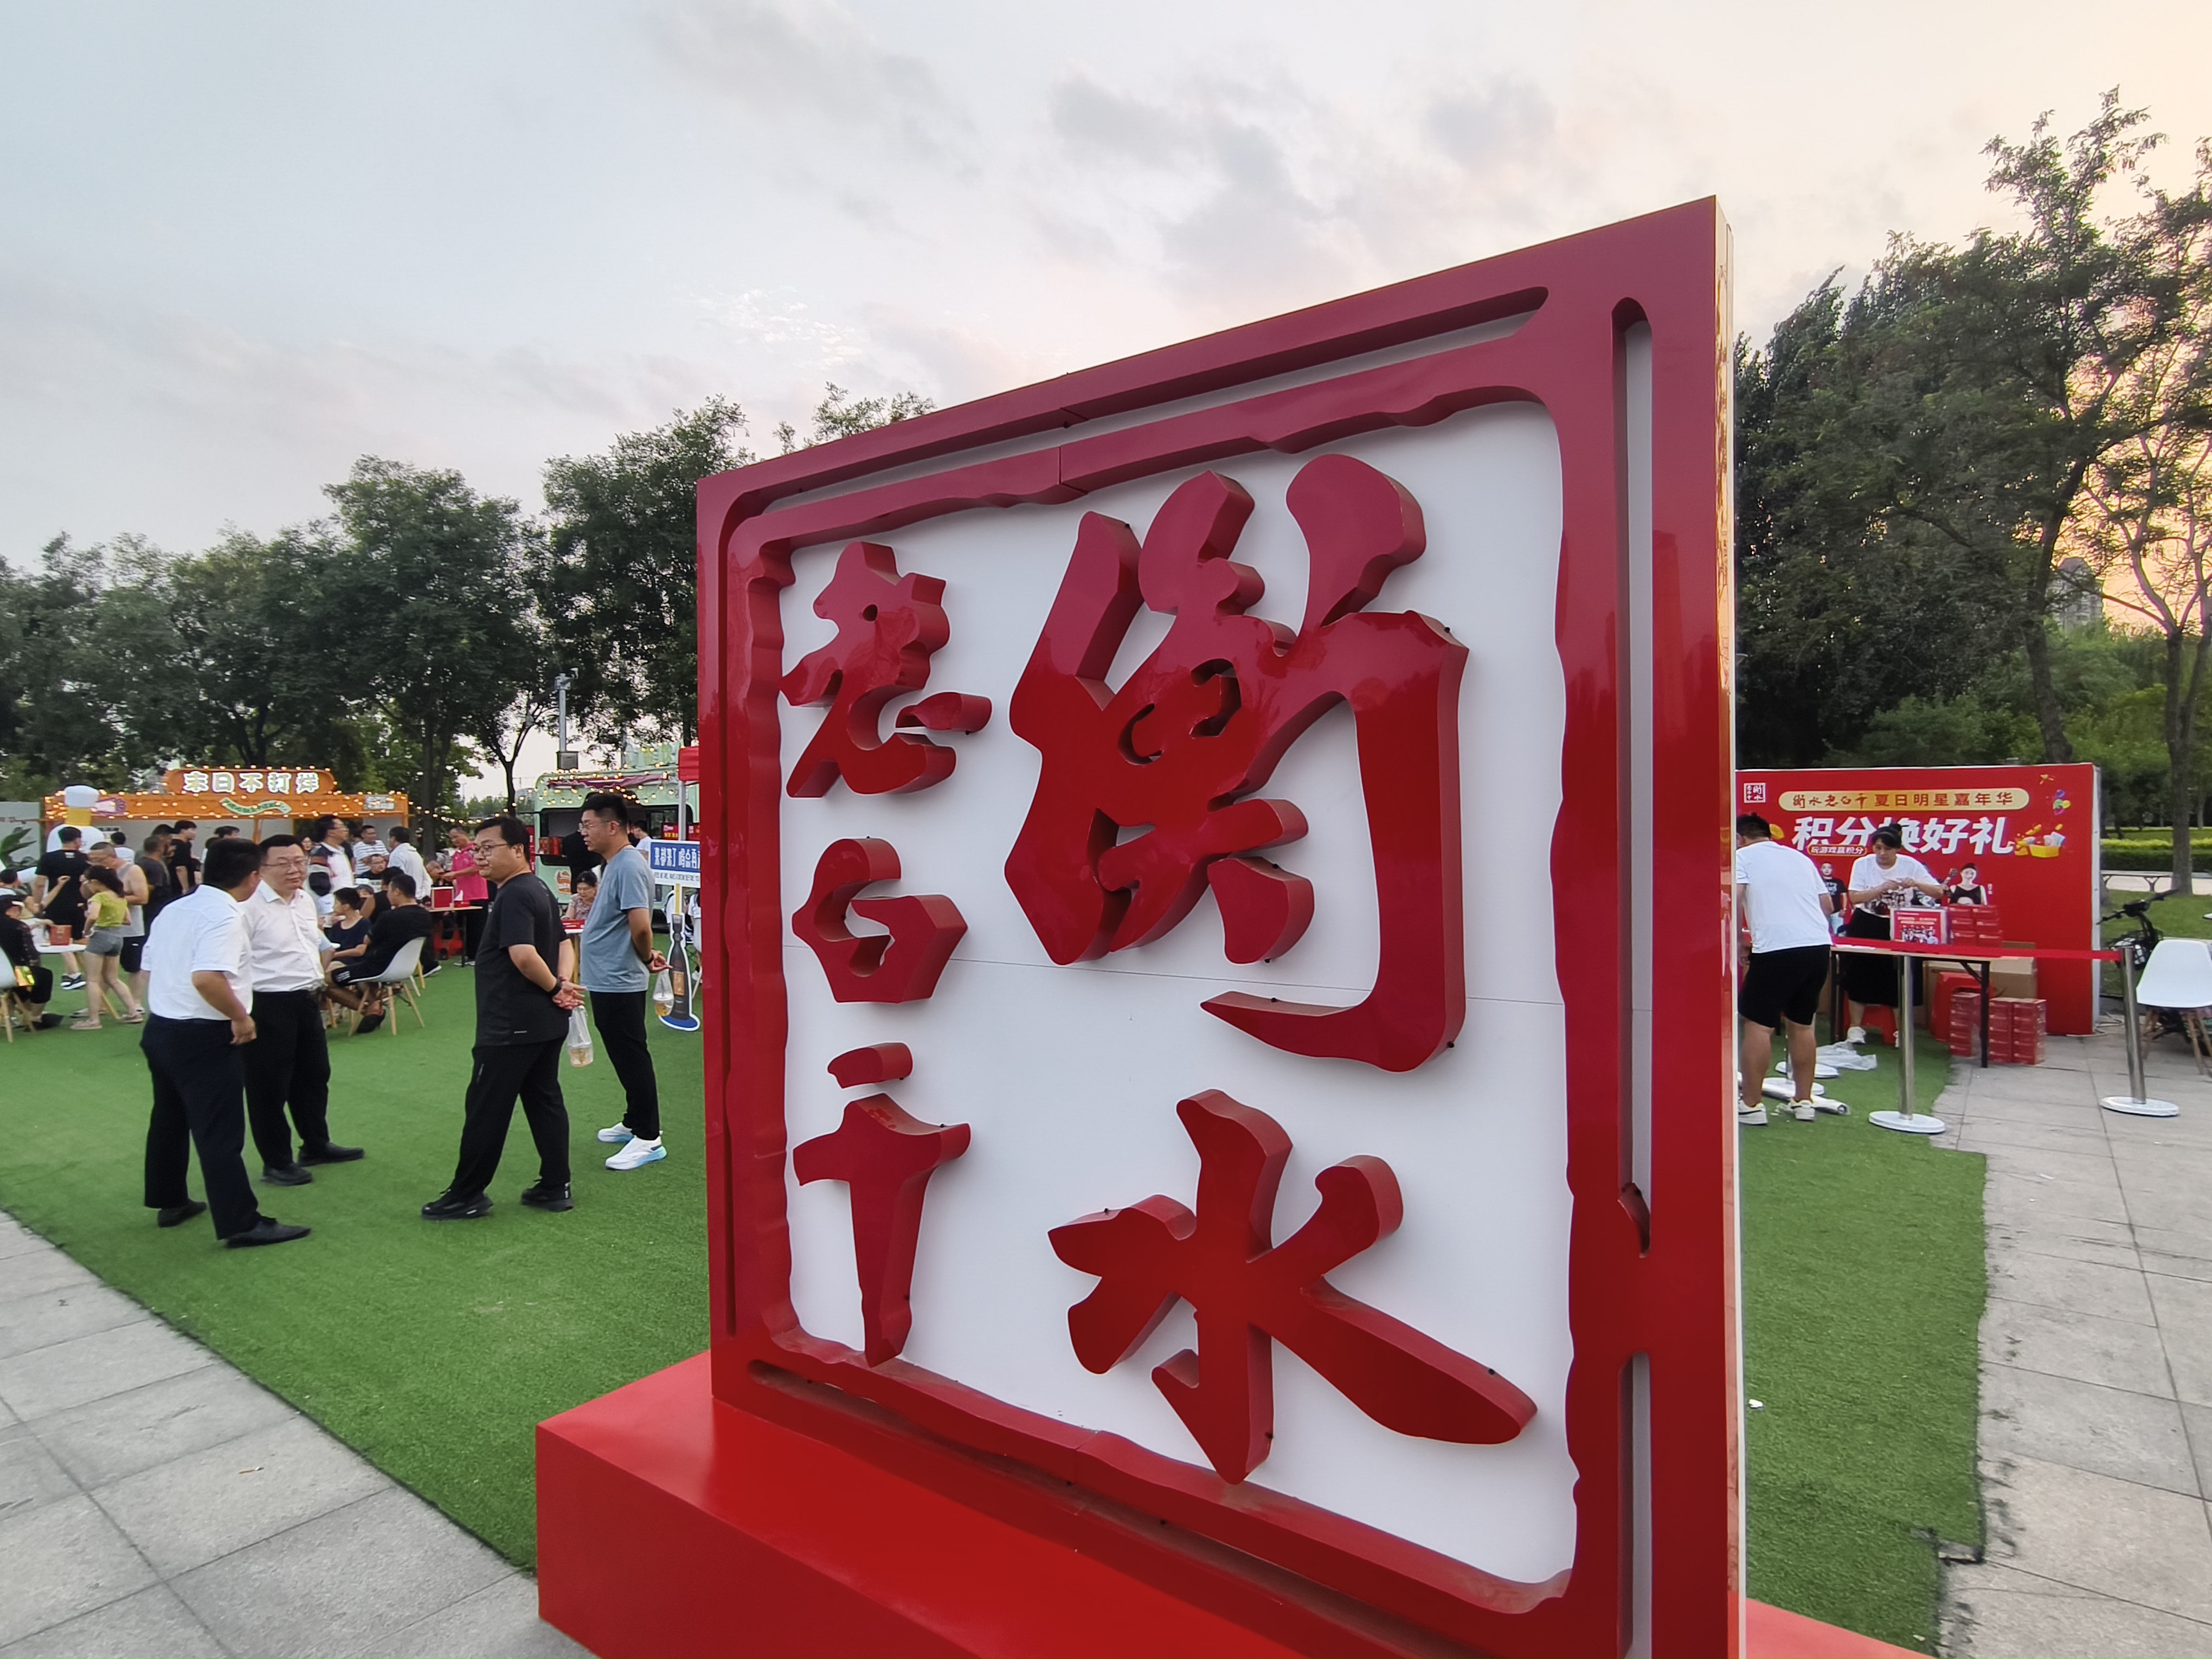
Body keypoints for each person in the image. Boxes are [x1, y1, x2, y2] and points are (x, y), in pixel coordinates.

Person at [140, 833, 310, 1248]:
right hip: (202, 1032)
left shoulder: (174, 909)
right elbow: (207, 978)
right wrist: (240, 1017)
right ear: (253, 877)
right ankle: (240, 1222)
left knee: (169, 1118)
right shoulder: (226, 916)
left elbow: (148, 970)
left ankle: (170, 1199)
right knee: (219, 1131)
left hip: (163, 1026)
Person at [421, 816, 581, 1220]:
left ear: (518, 850)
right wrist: (561, 984)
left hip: (511, 1024)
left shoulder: (515, 894)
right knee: (544, 1100)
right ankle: (555, 1185)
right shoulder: (538, 888)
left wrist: (556, 987)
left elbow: (524, 956)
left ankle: (467, 1194)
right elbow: (564, 944)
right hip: (543, 1022)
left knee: (486, 1108)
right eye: (477, 849)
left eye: (488, 848)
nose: (480, 856)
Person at [241, 835, 364, 1185]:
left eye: (300, 862)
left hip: (307, 998)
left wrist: (319, 978)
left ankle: (316, 1144)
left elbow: (317, 945)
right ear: (261, 868)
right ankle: (276, 1162)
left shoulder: (304, 901)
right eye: (284, 863)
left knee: (314, 1075)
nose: (295, 870)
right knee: (270, 1086)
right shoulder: (248, 907)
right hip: (267, 1002)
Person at [576, 794, 671, 1171]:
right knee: (623, 1052)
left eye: (588, 825)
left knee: (631, 1054)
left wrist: (646, 958)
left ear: (613, 826)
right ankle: (634, 1121)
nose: (583, 832)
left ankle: (648, 1137)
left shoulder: (629, 865)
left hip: (619, 978)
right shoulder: (615, 865)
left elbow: (641, 926)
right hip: (608, 977)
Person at [1734, 814, 1836, 1127]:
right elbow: (1828, 907)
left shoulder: (1742, 858)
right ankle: (1803, 1101)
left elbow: (1734, 900)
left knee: (1759, 1025)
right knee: (1802, 1025)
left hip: (1777, 949)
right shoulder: (1800, 858)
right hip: (1818, 946)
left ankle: (1751, 1104)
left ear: (1740, 839)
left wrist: (1738, 941)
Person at [326, 870, 436, 1030]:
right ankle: (373, 1005)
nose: (387, 895)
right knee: (357, 972)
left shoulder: (388, 917)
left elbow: (367, 940)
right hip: (406, 967)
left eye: (389, 891)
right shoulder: (425, 916)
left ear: (397, 892)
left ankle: (369, 1010)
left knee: (325, 981)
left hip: (378, 967)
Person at [74, 865, 144, 1029]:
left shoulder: (99, 898)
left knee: (92, 979)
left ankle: (94, 1020)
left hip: (100, 936)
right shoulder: (120, 897)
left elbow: (93, 916)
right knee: (113, 979)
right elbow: (128, 921)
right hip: (117, 937)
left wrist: (86, 930)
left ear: (95, 882)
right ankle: (133, 1012)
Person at [89, 838, 153, 1009]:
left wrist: (114, 899)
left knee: (133, 967)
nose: (95, 864)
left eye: (99, 860)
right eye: (92, 860)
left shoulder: (132, 870)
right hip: (104, 929)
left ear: (112, 858)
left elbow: (142, 898)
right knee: (101, 970)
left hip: (129, 929)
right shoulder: (98, 873)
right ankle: (100, 1005)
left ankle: (136, 1002)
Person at [32, 826, 88, 991]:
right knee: (79, 941)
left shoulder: (48, 858)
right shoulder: (85, 859)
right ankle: (78, 974)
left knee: (61, 941)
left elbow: (40, 883)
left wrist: (37, 904)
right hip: (80, 905)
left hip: (56, 905)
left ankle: (75, 975)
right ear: (78, 840)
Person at [1, 893, 61, 1029]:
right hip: (16, 974)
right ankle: (36, 1018)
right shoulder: (19, 927)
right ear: (10, 911)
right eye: (19, 910)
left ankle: (13, 1014)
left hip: (7, 975)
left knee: (21, 982)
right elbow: (30, 955)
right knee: (43, 976)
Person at [444, 827, 489, 962]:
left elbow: (476, 868)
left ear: (464, 834)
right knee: (464, 927)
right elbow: (454, 873)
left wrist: (456, 874)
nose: (454, 840)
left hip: (477, 894)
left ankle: (478, 955)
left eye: (456, 837)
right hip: (463, 897)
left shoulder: (474, 850)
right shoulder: (457, 854)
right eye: (452, 838)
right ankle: (469, 954)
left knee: (477, 927)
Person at [388, 826, 430, 903]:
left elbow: (397, 878)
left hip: (404, 899)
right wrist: (423, 894)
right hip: (417, 898)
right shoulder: (416, 854)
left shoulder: (397, 855)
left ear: (394, 839)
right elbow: (426, 878)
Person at [167, 820, 201, 896]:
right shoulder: (180, 845)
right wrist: (185, 888)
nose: (195, 833)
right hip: (177, 883)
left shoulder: (187, 844)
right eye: (192, 830)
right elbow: (180, 868)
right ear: (183, 831)